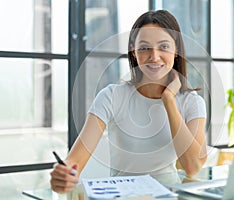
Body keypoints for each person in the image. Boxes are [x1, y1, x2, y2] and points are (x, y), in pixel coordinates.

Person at [50, 9, 207, 193]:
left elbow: (193, 167)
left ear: (176, 51)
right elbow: (74, 163)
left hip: (169, 195)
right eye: (144, 47)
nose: (154, 56)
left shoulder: (191, 102)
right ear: (133, 52)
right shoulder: (112, 96)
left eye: (163, 47)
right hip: (122, 196)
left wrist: (168, 100)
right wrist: (63, 176)